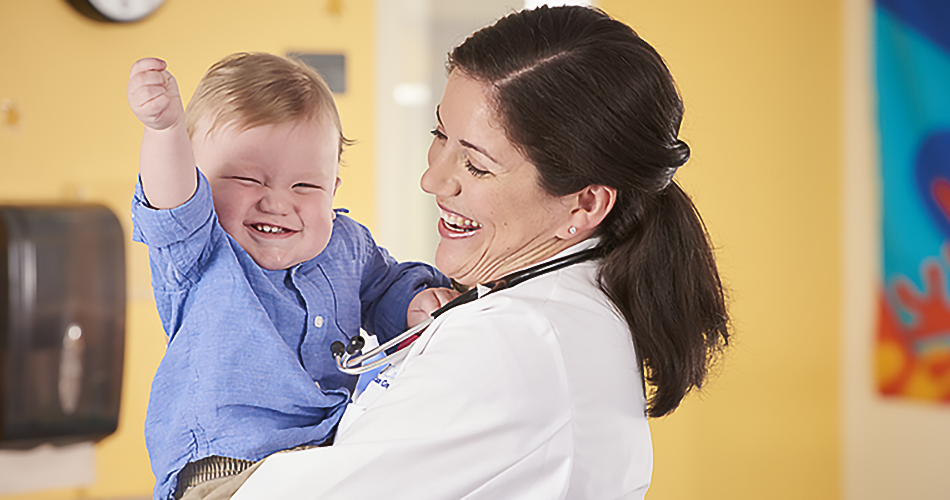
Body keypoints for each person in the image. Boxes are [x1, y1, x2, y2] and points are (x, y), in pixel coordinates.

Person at [183, 6, 729, 499]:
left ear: (584, 204)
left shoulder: (516, 344)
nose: (432, 179)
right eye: (438, 135)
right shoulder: (542, 311)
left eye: (476, 164)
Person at [125, 52, 456, 500]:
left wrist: (415, 302)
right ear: (198, 182)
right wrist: (164, 131)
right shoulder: (200, 249)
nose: (277, 202)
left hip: (330, 455)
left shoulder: (347, 245)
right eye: (247, 179)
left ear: (334, 188)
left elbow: (388, 287)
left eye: (305, 186)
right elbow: (172, 199)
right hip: (230, 466)